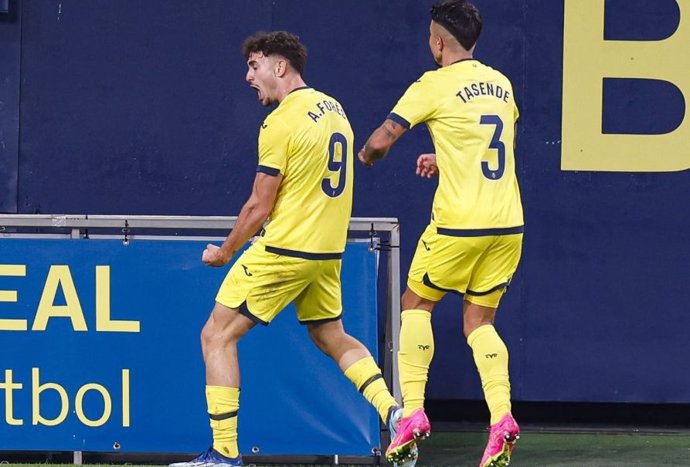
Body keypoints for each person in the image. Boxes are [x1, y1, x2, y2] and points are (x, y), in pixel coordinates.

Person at [170, 31, 413, 467]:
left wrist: (225, 252)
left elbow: (258, 205)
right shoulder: (335, 109)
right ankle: (394, 413)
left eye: (254, 65)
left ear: (279, 66)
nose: (248, 76)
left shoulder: (281, 121)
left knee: (216, 336)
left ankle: (224, 454)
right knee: (330, 335)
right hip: (326, 255)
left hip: (285, 249)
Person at [358, 1, 523, 466]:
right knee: (480, 323)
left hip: (458, 224)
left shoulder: (432, 84)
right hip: (508, 224)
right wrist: (445, 157)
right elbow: (496, 140)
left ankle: (411, 412)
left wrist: (367, 156)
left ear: (437, 42)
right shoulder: (502, 85)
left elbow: (380, 140)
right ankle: (502, 419)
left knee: (416, 305)